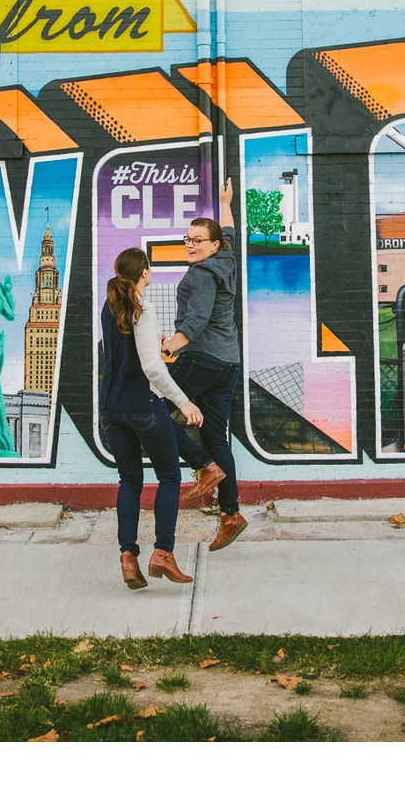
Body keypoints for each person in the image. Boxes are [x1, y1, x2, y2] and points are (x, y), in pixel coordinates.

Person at [98, 248, 205, 589]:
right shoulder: (143, 308)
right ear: (145, 272)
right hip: (142, 406)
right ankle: (163, 553)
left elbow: (124, 351)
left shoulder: (110, 305)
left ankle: (128, 557)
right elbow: (151, 368)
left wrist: (152, 345)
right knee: (170, 477)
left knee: (129, 480)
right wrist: (184, 402)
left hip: (112, 408)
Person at [163, 177, 247, 551]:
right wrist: (225, 202)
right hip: (228, 363)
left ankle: (203, 467)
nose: (190, 245)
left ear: (212, 247)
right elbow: (229, 232)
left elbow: (195, 322)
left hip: (201, 358)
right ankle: (231, 514)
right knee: (216, 435)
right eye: (188, 239)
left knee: (153, 413)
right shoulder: (226, 258)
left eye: (198, 240)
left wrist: (169, 348)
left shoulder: (201, 275)